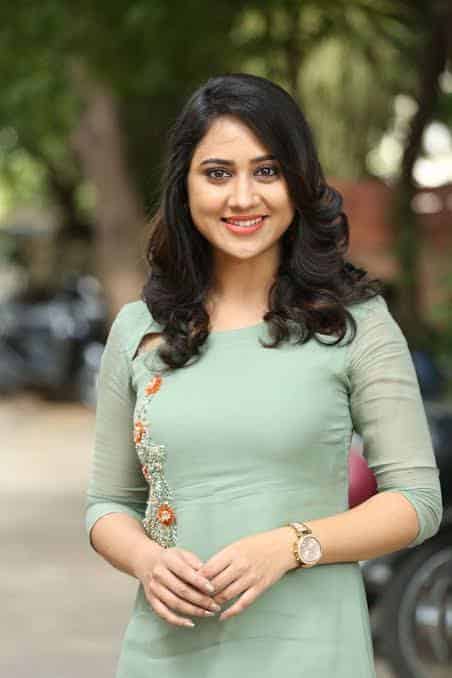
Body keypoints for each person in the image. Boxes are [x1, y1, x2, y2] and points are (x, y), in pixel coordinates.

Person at [85, 73, 443, 678]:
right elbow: (108, 505)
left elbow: (416, 501)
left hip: (310, 650)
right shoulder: (139, 330)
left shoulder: (353, 324)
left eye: (267, 171)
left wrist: (291, 545)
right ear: (185, 186)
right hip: (168, 653)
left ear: (298, 182)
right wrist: (146, 559)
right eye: (218, 173)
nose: (243, 197)